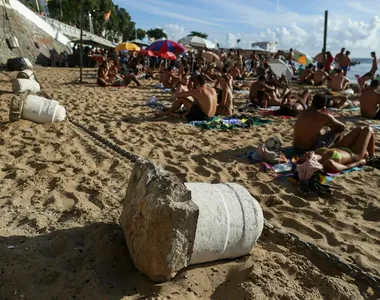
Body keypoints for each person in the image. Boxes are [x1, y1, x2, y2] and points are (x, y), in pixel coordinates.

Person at [297, 127, 375, 173]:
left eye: (305, 155)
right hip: (353, 154)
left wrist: (302, 159)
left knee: (359, 129)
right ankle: (372, 157)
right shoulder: (328, 163)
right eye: (306, 156)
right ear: (312, 163)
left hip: (340, 147)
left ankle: (368, 154)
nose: (306, 154)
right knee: (368, 129)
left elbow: (298, 161)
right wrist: (359, 162)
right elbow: (345, 167)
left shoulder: (315, 154)